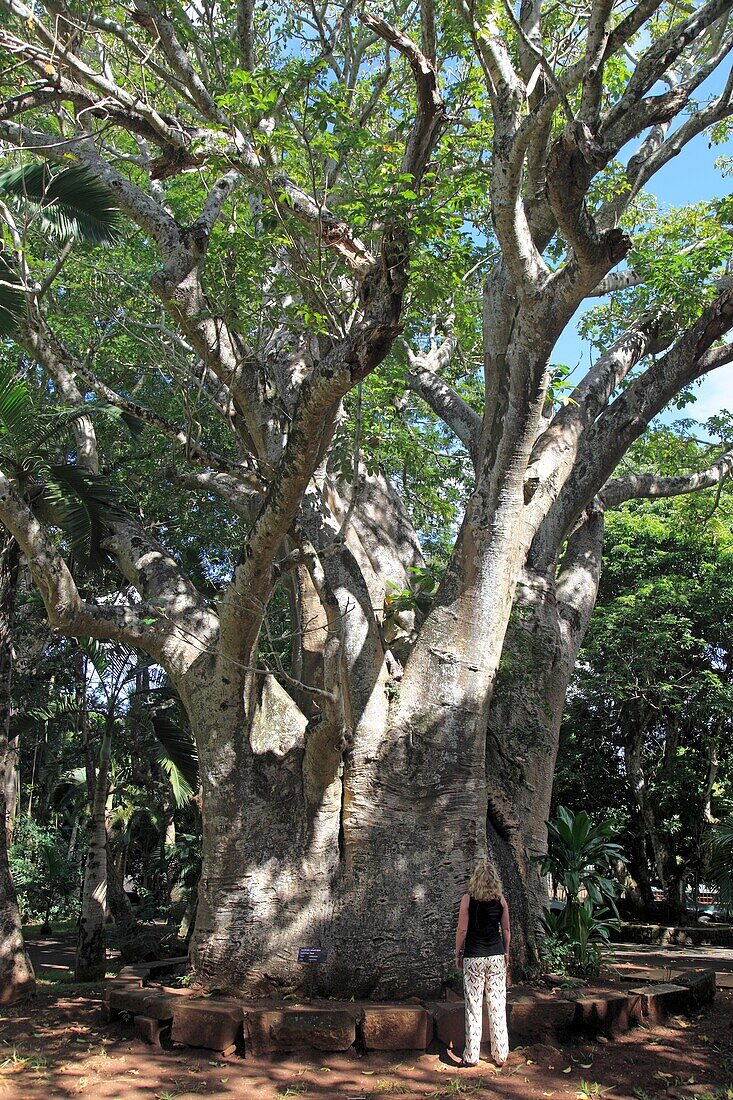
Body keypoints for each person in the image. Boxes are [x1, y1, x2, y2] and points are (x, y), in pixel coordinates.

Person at [454, 858, 510, 1067]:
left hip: (474, 957)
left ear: (475, 880)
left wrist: (458, 953)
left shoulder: (467, 900)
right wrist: (506, 952)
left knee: (473, 1005)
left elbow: (462, 930)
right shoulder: (501, 901)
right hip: (496, 957)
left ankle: (471, 1055)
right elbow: (505, 930)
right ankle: (500, 1053)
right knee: (497, 1004)